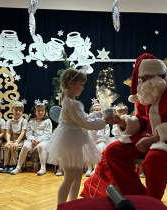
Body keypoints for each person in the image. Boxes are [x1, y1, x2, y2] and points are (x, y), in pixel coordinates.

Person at [81, 53, 167, 200]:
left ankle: (152, 202)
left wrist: (153, 139)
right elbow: (142, 121)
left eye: (144, 78)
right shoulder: (147, 92)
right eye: (141, 79)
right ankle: (139, 198)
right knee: (113, 151)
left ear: (156, 75)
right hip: (152, 140)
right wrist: (122, 122)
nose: (141, 83)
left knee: (154, 159)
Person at [47, 68, 113, 206]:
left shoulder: (71, 102)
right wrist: (105, 121)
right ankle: (61, 207)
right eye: (81, 85)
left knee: (77, 177)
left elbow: (83, 118)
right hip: (69, 142)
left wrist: (98, 115)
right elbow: (85, 122)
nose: (82, 88)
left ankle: (73, 204)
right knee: (69, 178)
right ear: (71, 83)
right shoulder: (71, 103)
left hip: (75, 141)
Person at [11, 101, 52, 176]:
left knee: (41, 146)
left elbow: (47, 134)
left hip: (44, 140)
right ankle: (18, 167)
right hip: (33, 139)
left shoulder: (47, 121)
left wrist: (38, 140)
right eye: (38, 111)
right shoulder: (31, 121)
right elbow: (28, 133)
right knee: (26, 146)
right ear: (35, 112)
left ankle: (43, 168)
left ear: (45, 112)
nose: (40, 112)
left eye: (42, 110)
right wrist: (32, 139)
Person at [0, 101, 28, 173]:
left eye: (20, 110)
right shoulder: (9, 121)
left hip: (20, 139)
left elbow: (23, 132)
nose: (17, 112)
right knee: (7, 146)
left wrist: (17, 142)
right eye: (16, 110)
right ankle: (6, 165)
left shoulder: (24, 121)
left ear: (22, 112)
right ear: (12, 110)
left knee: (14, 146)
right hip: (11, 139)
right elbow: (8, 132)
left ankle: (13, 165)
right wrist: (8, 141)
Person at [86, 102, 110, 177]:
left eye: (99, 110)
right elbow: (88, 131)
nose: (97, 111)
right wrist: (91, 140)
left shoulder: (105, 121)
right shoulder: (90, 121)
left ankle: (96, 167)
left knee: (99, 148)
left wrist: (101, 139)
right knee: (86, 148)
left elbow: (107, 132)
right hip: (92, 140)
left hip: (101, 140)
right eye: (95, 110)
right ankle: (89, 168)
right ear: (92, 111)